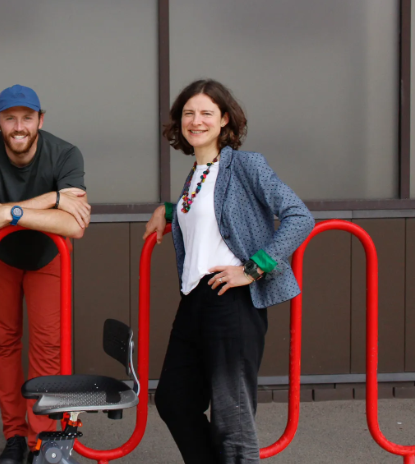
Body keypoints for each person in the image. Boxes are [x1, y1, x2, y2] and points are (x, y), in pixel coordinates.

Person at [144, 79, 314, 463]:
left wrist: (254, 269)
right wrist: (170, 210)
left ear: (224, 120)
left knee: (231, 420)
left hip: (231, 301)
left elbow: (299, 216)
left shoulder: (244, 165)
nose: (196, 120)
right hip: (194, 302)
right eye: (189, 113)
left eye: (206, 113)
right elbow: (210, 215)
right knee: (173, 399)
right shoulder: (196, 175)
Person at [0, 84, 91, 464]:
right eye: (10, 118)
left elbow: (75, 227)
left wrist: (12, 212)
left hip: (48, 257)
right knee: (3, 345)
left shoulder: (65, 153)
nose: (18, 126)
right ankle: (14, 435)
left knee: (48, 348)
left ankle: (42, 438)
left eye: (27, 117)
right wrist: (52, 200)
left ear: (40, 119)